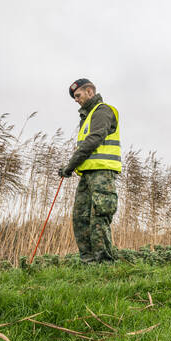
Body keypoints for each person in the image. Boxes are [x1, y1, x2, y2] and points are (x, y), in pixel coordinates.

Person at [58, 79, 121, 263]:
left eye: (78, 96)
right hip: (86, 175)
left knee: (99, 218)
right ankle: (89, 263)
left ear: (90, 92)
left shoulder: (103, 111)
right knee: (80, 218)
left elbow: (94, 139)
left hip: (102, 174)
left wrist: (70, 165)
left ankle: (104, 264)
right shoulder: (86, 117)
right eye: (74, 97)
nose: (76, 100)